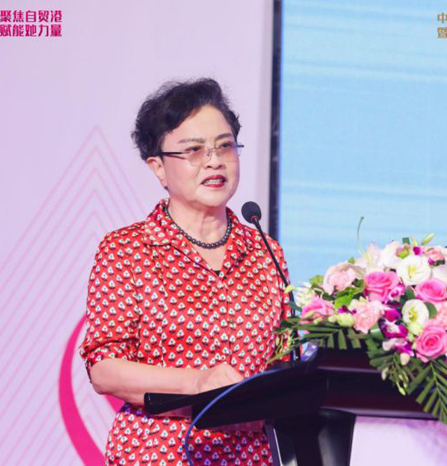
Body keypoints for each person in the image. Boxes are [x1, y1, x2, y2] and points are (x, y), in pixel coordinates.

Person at [79, 78, 292, 465]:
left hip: (253, 455)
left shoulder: (266, 252)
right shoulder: (129, 249)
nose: (214, 161)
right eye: (194, 150)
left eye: (224, 146)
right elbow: (104, 370)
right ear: (159, 168)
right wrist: (198, 382)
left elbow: (283, 361)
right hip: (161, 453)